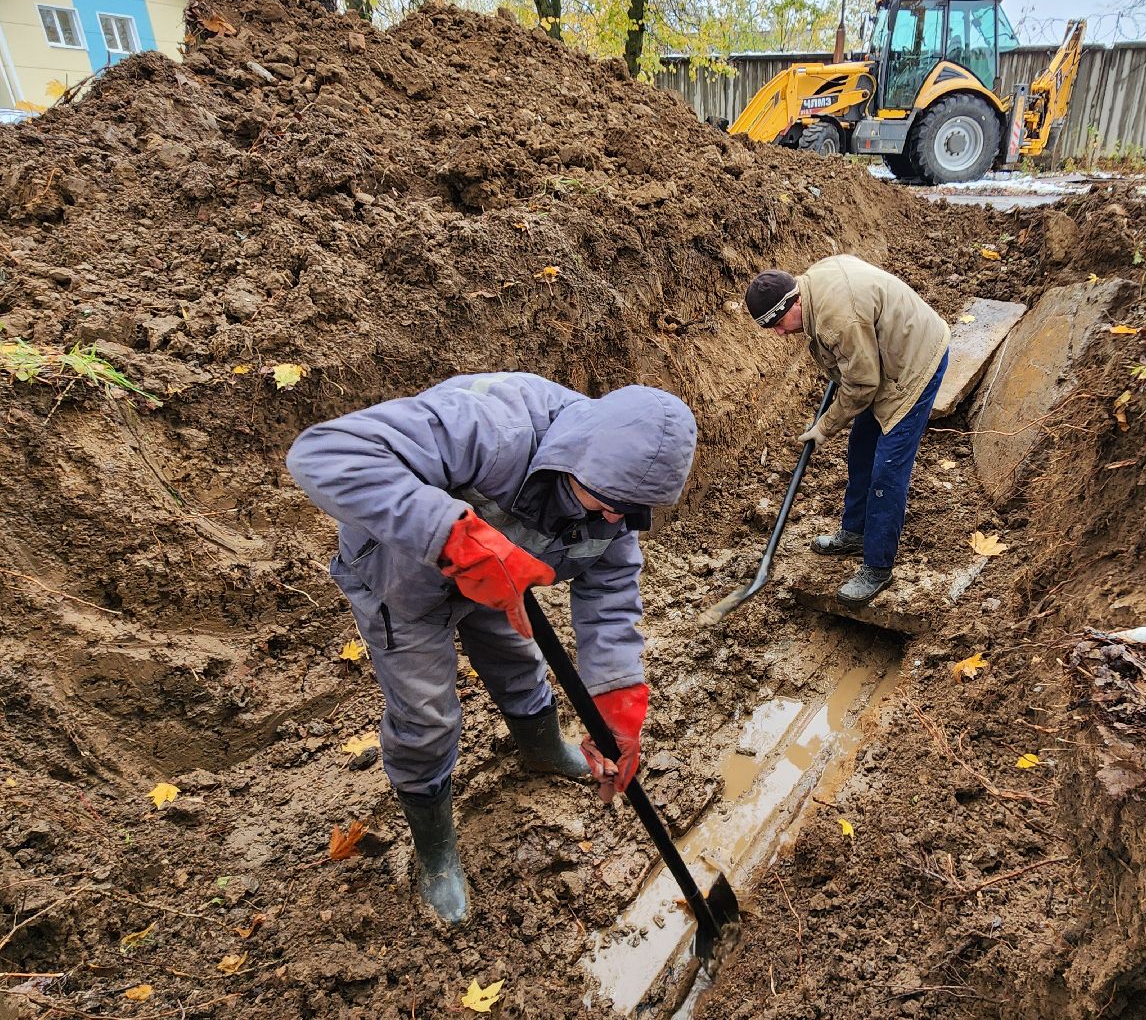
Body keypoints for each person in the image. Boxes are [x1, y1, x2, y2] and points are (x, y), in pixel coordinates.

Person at [286, 372, 697, 925]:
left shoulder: (618, 499)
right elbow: (323, 451)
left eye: (629, 511)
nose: (615, 520)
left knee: (522, 665)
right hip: (403, 579)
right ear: (574, 459)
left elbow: (610, 591)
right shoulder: (490, 427)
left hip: (502, 580)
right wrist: (459, 540)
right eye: (605, 504)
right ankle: (434, 851)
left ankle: (542, 748)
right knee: (426, 716)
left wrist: (616, 704)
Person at [745, 255, 949, 605]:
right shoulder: (813, 290)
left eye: (779, 322)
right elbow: (857, 363)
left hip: (913, 364)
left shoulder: (838, 319)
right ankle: (855, 533)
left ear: (795, 300)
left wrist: (824, 426)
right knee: (861, 449)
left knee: (887, 471)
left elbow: (862, 384)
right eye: (770, 327)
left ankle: (877, 567)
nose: (779, 332)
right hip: (883, 356)